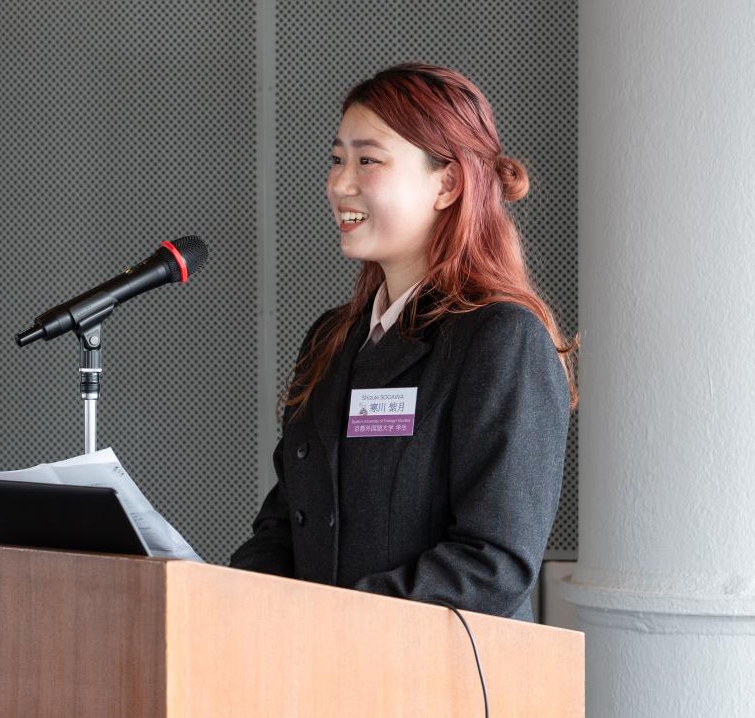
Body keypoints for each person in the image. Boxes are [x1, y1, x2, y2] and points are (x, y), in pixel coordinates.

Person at [228, 63, 578, 623]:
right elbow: (284, 527)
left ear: (447, 183)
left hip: (438, 683)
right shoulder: (331, 339)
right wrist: (237, 603)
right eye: (337, 158)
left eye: (368, 160)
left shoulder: (501, 339)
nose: (340, 183)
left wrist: (331, 622)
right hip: (314, 675)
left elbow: (494, 564)